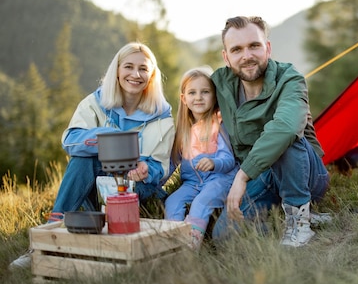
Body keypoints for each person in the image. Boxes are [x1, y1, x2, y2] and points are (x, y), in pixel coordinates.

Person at [10, 42, 175, 269]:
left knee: (128, 173)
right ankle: (48, 236)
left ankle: (96, 240)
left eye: (143, 69)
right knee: (82, 159)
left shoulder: (162, 116)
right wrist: (109, 137)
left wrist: (147, 169)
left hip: (138, 187)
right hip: (97, 180)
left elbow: (163, 166)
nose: (135, 74)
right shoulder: (96, 102)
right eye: (128, 66)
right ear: (116, 71)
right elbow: (70, 140)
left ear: (152, 75)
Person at [211, 16, 330, 247]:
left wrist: (242, 175)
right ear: (226, 57)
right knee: (223, 236)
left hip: (305, 172)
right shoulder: (221, 85)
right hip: (262, 178)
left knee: (283, 136)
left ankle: (300, 223)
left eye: (254, 46)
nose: (247, 56)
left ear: (267, 48)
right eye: (237, 49)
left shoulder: (290, 79)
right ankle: (289, 220)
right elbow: (193, 108)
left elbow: (286, 127)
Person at [164, 66, 238, 250]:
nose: (198, 97)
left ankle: (191, 247)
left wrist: (214, 163)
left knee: (201, 202)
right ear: (184, 98)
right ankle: (175, 242)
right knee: (172, 201)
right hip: (192, 183)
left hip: (220, 179)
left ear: (214, 96)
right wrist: (157, 183)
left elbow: (229, 159)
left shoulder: (218, 124)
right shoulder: (183, 131)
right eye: (192, 92)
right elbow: (173, 164)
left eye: (205, 92)